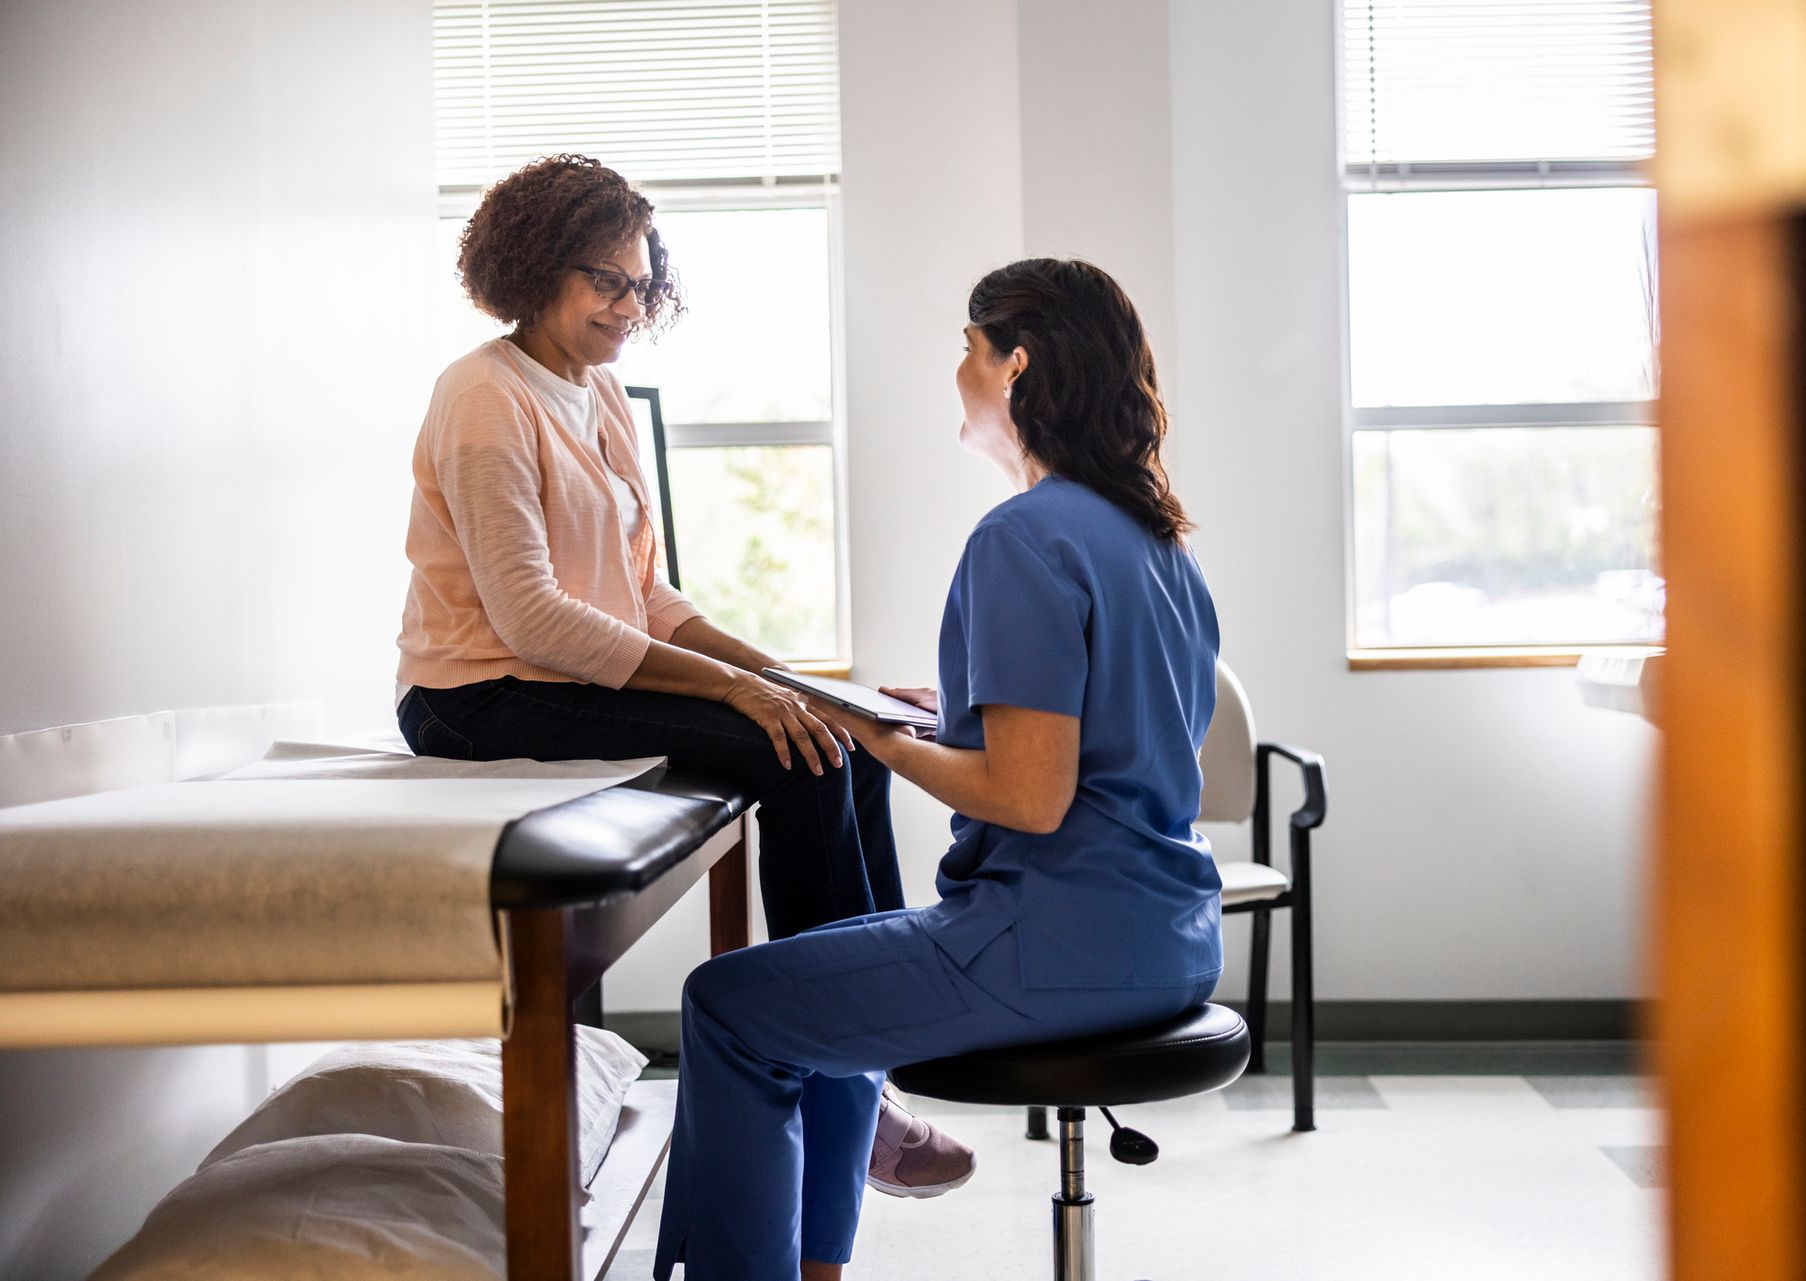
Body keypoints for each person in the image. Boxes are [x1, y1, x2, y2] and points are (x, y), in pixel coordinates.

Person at [393, 153, 965, 1192]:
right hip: (476, 695)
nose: (629, 305)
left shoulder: (598, 393)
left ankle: (878, 1039)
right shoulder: (483, 397)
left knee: (850, 742)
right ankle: (838, 1065)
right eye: (605, 280)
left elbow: (641, 593)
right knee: (802, 762)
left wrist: (787, 676)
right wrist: (738, 695)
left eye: (641, 282)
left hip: (570, 675)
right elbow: (532, 621)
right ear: (532, 269)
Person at [652, 257, 1224, 1281]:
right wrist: (954, 710)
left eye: (967, 349)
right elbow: (1108, 737)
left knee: (728, 1007)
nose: (956, 372)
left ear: (1017, 367)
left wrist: (889, 742)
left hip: (1052, 943)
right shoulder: (1155, 540)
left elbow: (1028, 798)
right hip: (1167, 937)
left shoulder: (1023, 535)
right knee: (818, 981)